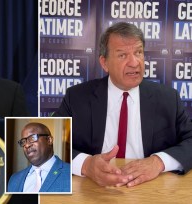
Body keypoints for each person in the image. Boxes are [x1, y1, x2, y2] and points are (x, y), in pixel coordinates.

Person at [54, 22, 192, 187]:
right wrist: (86, 165)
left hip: (150, 189)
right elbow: (53, 142)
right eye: (122, 55)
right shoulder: (77, 97)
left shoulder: (168, 99)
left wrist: (158, 162)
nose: (134, 62)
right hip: (93, 188)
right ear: (104, 63)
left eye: (138, 52)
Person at [7, 122, 71, 192]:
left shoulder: (70, 173)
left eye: (32, 138)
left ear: (49, 140)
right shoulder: (14, 179)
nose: (27, 145)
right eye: (23, 141)